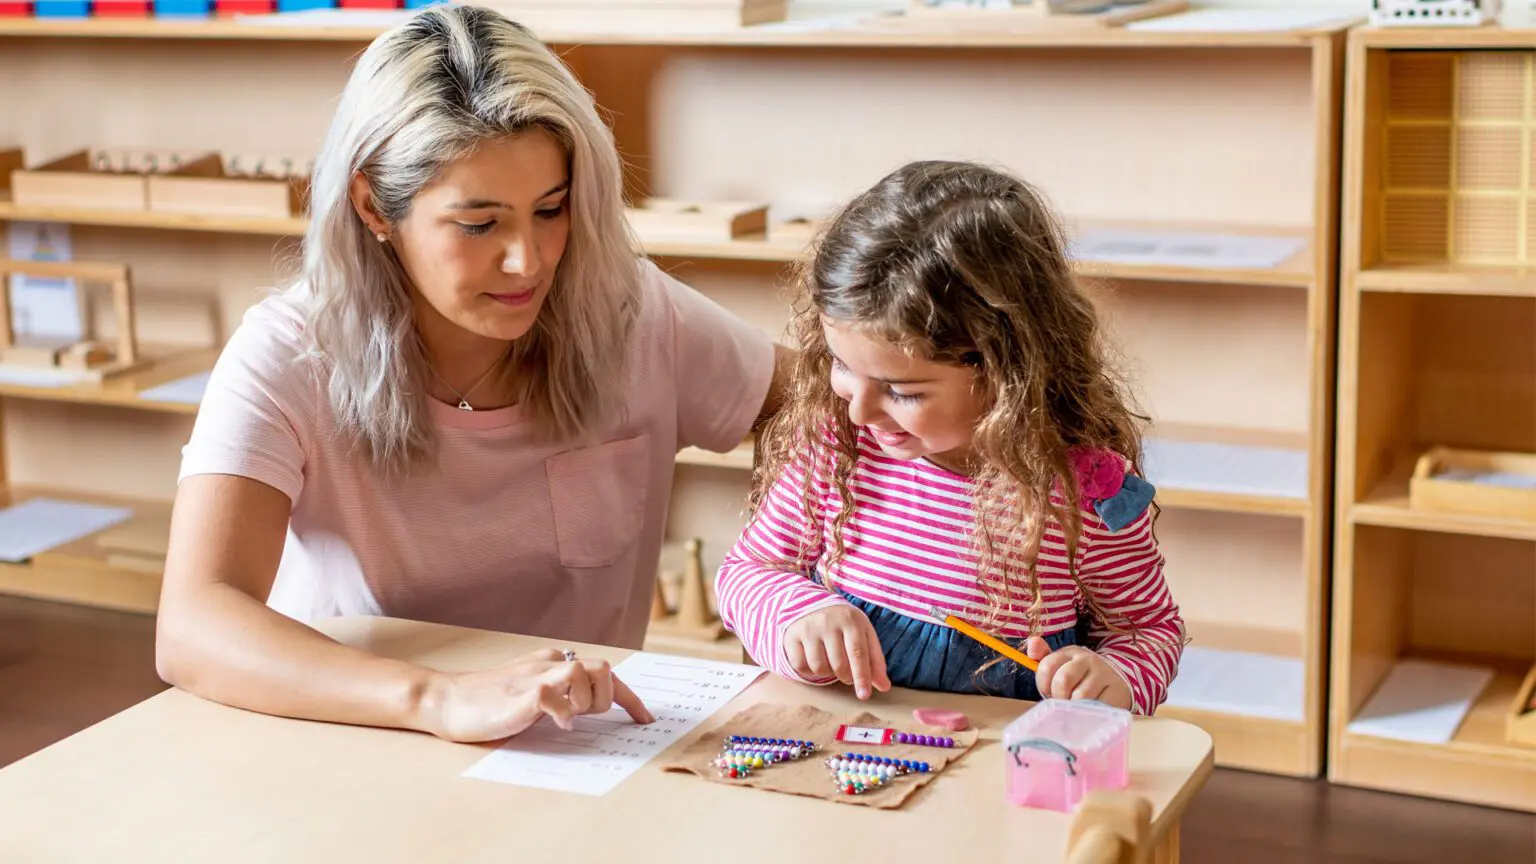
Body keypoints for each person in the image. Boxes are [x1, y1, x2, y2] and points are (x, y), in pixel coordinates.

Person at [155, 5, 785, 744]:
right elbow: (193, 623)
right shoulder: (289, 352)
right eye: (480, 225)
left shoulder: (633, 312)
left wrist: (786, 583)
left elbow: (831, 409)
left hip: (576, 751)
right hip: (352, 739)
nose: (529, 261)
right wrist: (439, 699)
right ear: (373, 207)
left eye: (550, 210)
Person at [714, 160, 1185, 716]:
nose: (860, 411)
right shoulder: (837, 445)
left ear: (1009, 374)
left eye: (902, 391)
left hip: (998, 769)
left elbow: (1148, 629)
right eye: (841, 366)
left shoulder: (1084, 489)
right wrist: (798, 616)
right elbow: (744, 575)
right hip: (841, 747)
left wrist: (1116, 680)